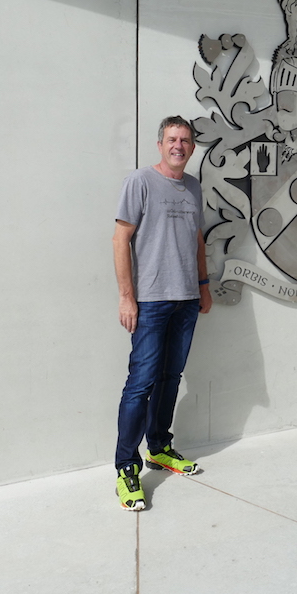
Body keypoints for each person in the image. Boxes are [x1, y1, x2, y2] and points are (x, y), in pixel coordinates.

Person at [112, 116, 213, 511]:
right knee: (141, 384)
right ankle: (126, 467)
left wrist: (203, 285)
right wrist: (127, 297)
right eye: (172, 139)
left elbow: (197, 239)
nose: (178, 146)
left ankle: (158, 447)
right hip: (151, 301)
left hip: (186, 299)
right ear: (160, 144)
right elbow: (120, 238)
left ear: (192, 147)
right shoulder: (140, 182)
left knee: (171, 377)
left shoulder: (193, 187)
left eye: (185, 140)